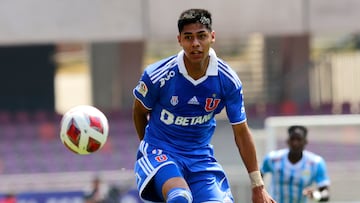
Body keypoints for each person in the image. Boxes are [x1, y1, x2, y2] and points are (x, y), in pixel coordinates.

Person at [132, 8, 275, 203]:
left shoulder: (227, 80)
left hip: (200, 159)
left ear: (212, 37)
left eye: (201, 36)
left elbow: (241, 132)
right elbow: (139, 111)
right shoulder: (158, 75)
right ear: (179, 40)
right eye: (188, 37)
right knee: (180, 197)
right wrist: (148, 147)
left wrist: (258, 186)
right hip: (162, 153)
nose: (195, 44)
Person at [261, 125, 330, 203]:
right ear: (287, 141)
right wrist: (261, 193)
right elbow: (258, 175)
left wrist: (316, 195)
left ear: (305, 141)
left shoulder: (316, 163)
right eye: (292, 139)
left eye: (299, 139)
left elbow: (325, 193)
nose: (295, 143)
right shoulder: (273, 159)